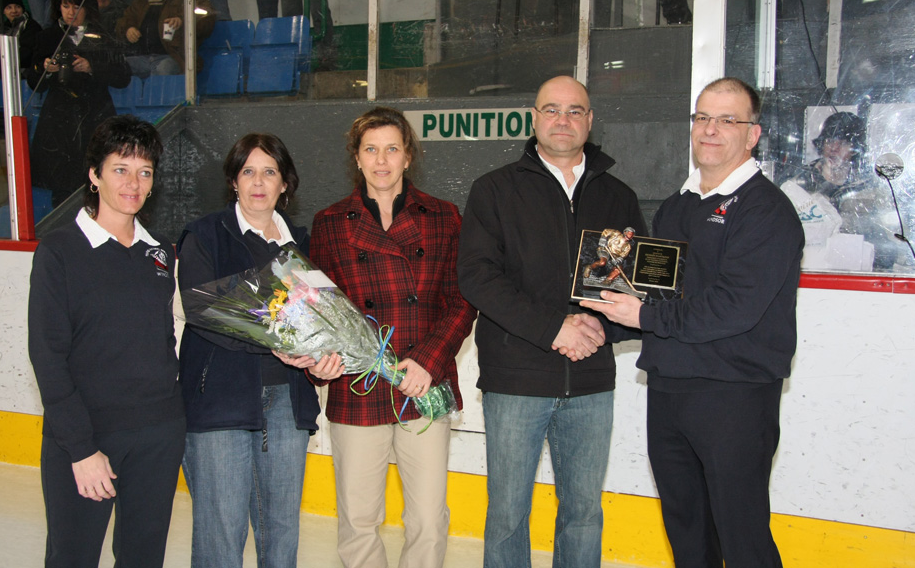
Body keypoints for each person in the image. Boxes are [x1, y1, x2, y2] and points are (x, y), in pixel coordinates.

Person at [582, 77, 804, 568]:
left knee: (741, 536)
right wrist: (600, 320)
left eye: (728, 120)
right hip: (670, 389)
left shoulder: (767, 211)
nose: (711, 129)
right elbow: (656, 299)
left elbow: (732, 307)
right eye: (702, 117)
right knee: (687, 533)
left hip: (734, 396)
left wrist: (641, 313)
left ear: (753, 134)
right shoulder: (679, 205)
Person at [457, 76, 647, 568]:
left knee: (583, 512)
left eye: (575, 111)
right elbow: (478, 279)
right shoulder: (494, 190)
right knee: (508, 515)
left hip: (590, 382)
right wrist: (555, 328)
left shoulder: (619, 197)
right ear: (534, 116)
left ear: (590, 120)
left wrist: (607, 329)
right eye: (552, 109)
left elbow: (637, 287)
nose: (564, 120)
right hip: (516, 380)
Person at [309, 106, 475, 568]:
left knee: (427, 517)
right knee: (359, 519)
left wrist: (428, 360)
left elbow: (462, 301)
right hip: (357, 387)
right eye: (370, 150)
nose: (381, 161)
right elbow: (320, 311)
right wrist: (319, 360)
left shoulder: (444, 217)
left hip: (424, 383)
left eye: (392, 149)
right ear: (357, 159)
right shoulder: (328, 223)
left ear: (408, 157)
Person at [27, 115, 185, 568]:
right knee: (72, 557)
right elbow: (48, 356)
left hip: (158, 434)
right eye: (120, 169)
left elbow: (160, 338)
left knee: (143, 558)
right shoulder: (59, 251)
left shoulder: (160, 252)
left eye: (145, 171)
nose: (133, 183)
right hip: (86, 437)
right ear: (95, 176)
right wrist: (80, 450)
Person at [177, 133, 328, 568]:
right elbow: (205, 311)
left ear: (285, 184)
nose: (258, 182)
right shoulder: (204, 235)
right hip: (219, 401)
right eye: (248, 171)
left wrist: (321, 355)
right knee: (220, 536)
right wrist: (278, 341)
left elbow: (319, 318)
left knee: (281, 531)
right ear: (233, 181)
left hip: (287, 401)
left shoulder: (303, 244)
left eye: (269, 172)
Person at [27, 0, 131, 207]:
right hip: (58, 121)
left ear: (87, 8)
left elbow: (123, 76)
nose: (71, 13)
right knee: (61, 188)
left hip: (94, 115)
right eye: (66, 6)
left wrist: (92, 67)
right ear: (58, 7)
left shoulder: (104, 36)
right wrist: (44, 69)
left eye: (77, 7)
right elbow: (33, 82)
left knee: (98, 184)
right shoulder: (47, 37)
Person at [115, 0, 216, 78]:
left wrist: (183, 20)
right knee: (117, 67)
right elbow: (124, 20)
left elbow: (207, 16)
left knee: (163, 69)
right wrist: (128, 28)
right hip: (141, 57)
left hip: (174, 58)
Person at [790, 111, 869, 209]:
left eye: (843, 143)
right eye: (829, 141)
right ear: (821, 144)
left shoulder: (866, 184)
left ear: (855, 149)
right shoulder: (800, 180)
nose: (834, 148)